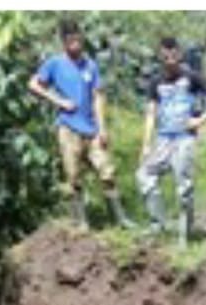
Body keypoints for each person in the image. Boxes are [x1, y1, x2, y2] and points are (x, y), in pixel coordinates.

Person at [28, 19, 132, 229]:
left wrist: (102, 128)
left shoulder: (90, 65)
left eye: (78, 40)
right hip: (68, 127)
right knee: (74, 176)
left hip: (91, 127)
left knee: (107, 171)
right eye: (70, 41)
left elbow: (98, 96)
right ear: (64, 42)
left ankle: (120, 218)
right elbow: (33, 84)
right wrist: (58, 100)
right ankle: (81, 221)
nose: (75, 44)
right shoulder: (54, 63)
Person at [138, 36, 206, 243]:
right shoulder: (156, 81)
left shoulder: (192, 78)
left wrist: (200, 120)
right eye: (165, 55)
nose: (169, 58)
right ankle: (159, 224)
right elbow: (151, 113)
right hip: (163, 139)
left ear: (179, 54)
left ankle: (184, 234)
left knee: (183, 187)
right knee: (144, 175)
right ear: (160, 56)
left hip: (184, 138)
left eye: (173, 54)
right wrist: (145, 144)